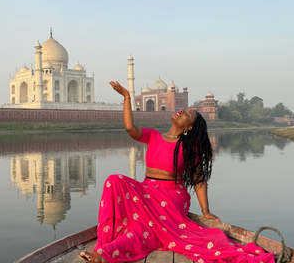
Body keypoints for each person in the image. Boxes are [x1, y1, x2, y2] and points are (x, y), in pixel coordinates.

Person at [79, 81, 274, 263]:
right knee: (114, 181)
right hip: (147, 192)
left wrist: (205, 210)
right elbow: (130, 128)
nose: (181, 111)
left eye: (187, 114)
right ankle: (103, 246)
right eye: (183, 110)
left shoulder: (190, 147)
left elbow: (198, 179)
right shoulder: (154, 136)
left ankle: (102, 255)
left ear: (189, 127)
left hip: (171, 197)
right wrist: (127, 98)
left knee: (140, 228)